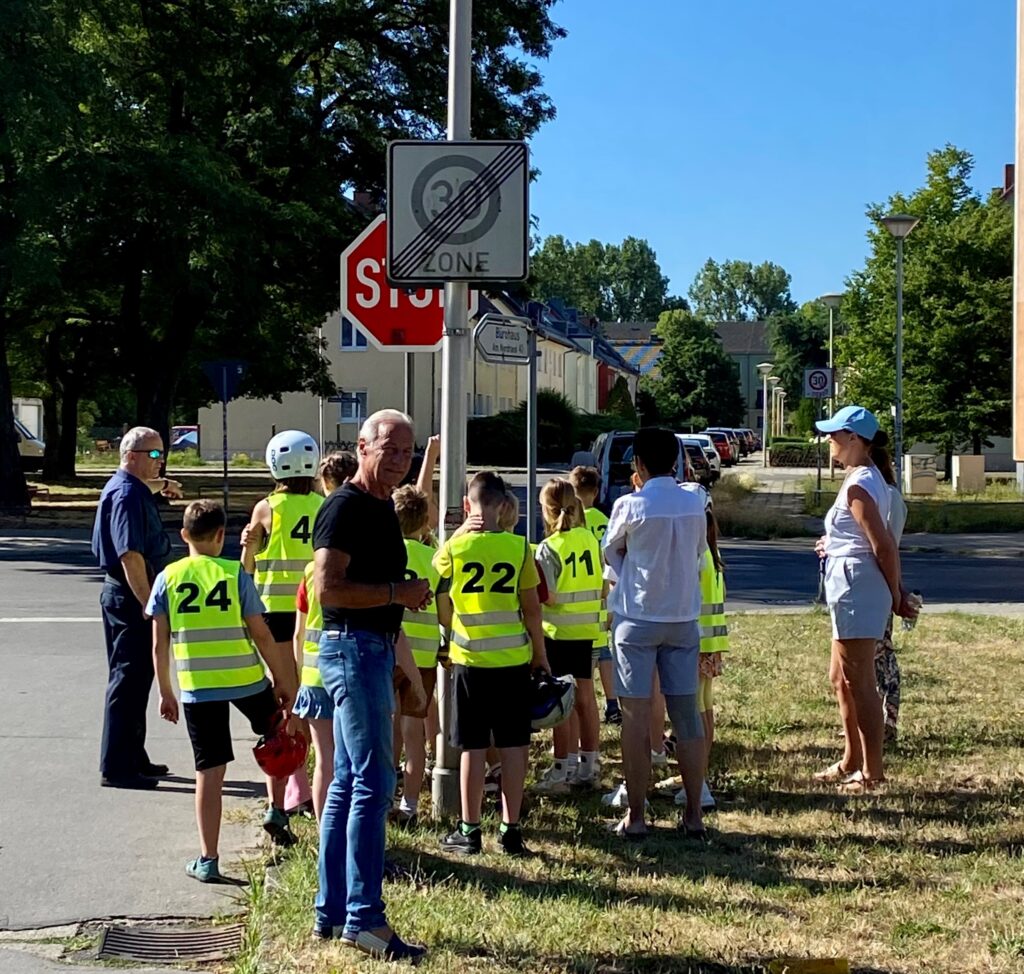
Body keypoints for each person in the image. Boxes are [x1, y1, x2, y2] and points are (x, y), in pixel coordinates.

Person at [311, 409, 429, 962]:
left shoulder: (382, 505)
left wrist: (399, 597)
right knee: (373, 784)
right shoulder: (345, 506)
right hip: (353, 647)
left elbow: (374, 586)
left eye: (407, 451)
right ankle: (364, 918)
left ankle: (332, 913)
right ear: (362, 446)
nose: (400, 459)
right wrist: (395, 593)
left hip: (372, 649)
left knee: (347, 783)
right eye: (391, 448)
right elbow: (328, 591)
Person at [149, 500, 301, 881]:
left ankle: (209, 858)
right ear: (222, 536)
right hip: (247, 679)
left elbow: (158, 643)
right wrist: (282, 678)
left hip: (199, 689)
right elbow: (262, 634)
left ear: (183, 535)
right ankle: (276, 809)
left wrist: (166, 691)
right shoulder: (235, 575)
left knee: (210, 773)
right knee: (276, 740)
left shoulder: (167, 577)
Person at [435, 472, 550, 857]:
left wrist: (455, 537)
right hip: (513, 660)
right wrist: (540, 656)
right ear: (503, 507)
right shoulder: (520, 549)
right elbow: (532, 611)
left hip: (469, 660)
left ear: (467, 506)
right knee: (514, 745)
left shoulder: (455, 548)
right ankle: (510, 830)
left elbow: (438, 593)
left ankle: (469, 831)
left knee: (472, 747)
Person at [602, 427, 708, 839]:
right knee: (686, 716)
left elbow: (612, 552)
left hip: (638, 617)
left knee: (635, 716)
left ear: (639, 466)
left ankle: (637, 815)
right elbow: (698, 551)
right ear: (677, 461)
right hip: (682, 617)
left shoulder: (630, 505)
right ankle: (695, 813)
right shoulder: (693, 504)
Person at [812, 406, 917, 794]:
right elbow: (862, 539)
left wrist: (897, 595)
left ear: (855, 439)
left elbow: (883, 546)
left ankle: (872, 773)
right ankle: (851, 759)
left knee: (859, 681)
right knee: (841, 678)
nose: (829, 441)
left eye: (835, 435)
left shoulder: (860, 485)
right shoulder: (863, 479)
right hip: (851, 587)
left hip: (858, 589)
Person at [91, 426, 179, 789]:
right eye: (154, 455)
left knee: (139, 677)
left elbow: (146, 486)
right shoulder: (127, 496)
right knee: (128, 680)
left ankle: (133, 754)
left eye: (162, 454)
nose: (161, 462)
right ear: (131, 456)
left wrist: (164, 485)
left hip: (126, 596)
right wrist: (148, 605)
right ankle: (117, 767)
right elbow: (130, 555)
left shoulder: (133, 488)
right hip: (130, 598)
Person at [242, 430, 323, 813]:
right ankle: (309, 777)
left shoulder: (266, 508)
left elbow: (249, 564)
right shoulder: (324, 504)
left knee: (286, 698)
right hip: (312, 608)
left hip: (273, 608)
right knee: (310, 695)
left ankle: (296, 785)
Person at [291, 451, 358, 822]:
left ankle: (323, 830)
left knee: (326, 759)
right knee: (353, 759)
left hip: (315, 675)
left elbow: (300, 632)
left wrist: (300, 675)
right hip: (349, 671)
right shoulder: (359, 565)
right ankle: (349, 827)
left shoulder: (307, 572)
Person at [533, 478, 605, 794]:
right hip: (587, 629)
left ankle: (562, 767)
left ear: (547, 512)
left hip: (558, 632)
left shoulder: (550, 547)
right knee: (587, 700)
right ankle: (589, 766)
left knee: (561, 701)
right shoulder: (589, 539)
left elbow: (547, 595)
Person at [392, 485, 441, 827]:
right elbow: (445, 604)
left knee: (388, 728)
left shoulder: (384, 553)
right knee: (414, 734)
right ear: (426, 522)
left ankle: (384, 798)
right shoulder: (434, 558)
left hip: (389, 647)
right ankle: (411, 804)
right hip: (423, 653)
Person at [677, 486, 728, 812]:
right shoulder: (710, 552)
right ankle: (699, 775)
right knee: (703, 709)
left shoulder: (695, 556)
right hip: (709, 645)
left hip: (694, 646)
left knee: (693, 714)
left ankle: (698, 783)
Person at [569, 466, 619, 725]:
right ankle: (613, 704)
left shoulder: (576, 524)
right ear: (597, 492)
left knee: (588, 659)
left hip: (579, 600)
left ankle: (583, 706)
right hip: (604, 595)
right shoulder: (605, 520)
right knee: (605, 652)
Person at [871, 447, 909, 744]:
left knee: (880, 657)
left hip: (876, 585)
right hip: (875, 584)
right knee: (874, 658)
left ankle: (886, 721)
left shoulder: (887, 497)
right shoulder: (885, 494)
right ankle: (880, 721)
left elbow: (887, 549)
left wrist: (896, 590)